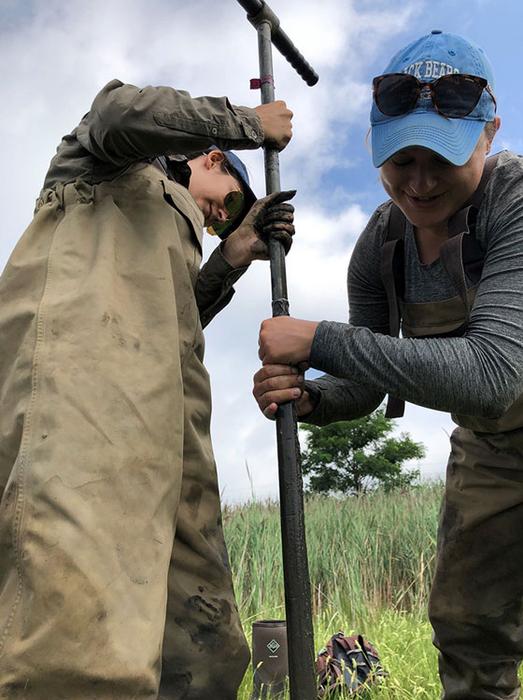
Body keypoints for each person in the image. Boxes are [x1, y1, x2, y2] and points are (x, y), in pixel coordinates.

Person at [0, 78, 295, 699]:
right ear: (211, 157)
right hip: (80, 408)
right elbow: (119, 110)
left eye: (231, 221)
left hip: (165, 429)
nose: (223, 218)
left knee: (203, 642)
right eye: (229, 201)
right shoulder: (109, 159)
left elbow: (167, 319)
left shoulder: (183, 237)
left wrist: (235, 254)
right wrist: (244, 121)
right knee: (78, 637)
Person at [254, 30, 523, 700]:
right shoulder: (381, 243)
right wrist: (312, 397)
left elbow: (493, 373)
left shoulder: (513, 204)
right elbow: (365, 388)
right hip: (490, 449)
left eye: (441, 157)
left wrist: (318, 339)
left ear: (487, 134)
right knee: (467, 624)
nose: (419, 180)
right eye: (400, 159)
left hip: (496, 398)